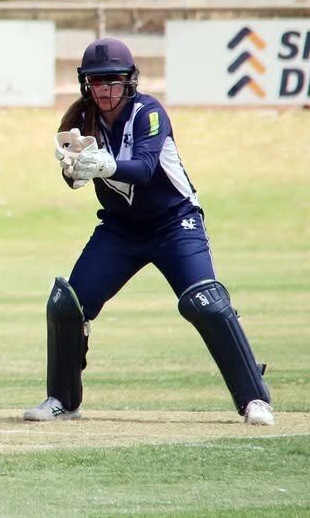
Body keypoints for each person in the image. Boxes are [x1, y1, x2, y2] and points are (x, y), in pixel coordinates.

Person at [23, 37, 273, 426]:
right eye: (97, 82)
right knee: (67, 306)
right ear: (85, 83)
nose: (105, 91)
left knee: (205, 301)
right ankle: (62, 399)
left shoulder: (149, 113)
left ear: (130, 81)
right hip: (121, 229)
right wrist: (72, 168)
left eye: (114, 82)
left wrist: (101, 165)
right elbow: (74, 179)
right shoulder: (80, 119)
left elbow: (143, 168)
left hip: (175, 222)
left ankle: (255, 399)